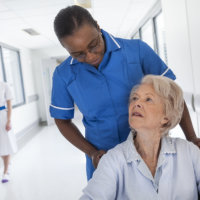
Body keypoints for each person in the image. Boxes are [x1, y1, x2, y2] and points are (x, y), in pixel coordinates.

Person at [50, 5, 200, 180]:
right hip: (104, 158)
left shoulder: (137, 51)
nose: (90, 57)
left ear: (98, 27)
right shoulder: (63, 75)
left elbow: (173, 97)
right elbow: (61, 120)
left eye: (93, 45)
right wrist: (91, 153)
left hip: (151, 151)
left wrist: (192, 138)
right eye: (78, 54)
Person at [80, 75, 200, 200]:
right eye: (135, 98)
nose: (136, 103)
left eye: (148, 99)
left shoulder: (189, 152)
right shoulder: (113, 160)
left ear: (166, 117)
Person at [0, 81, 17, 183]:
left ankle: (6, 172)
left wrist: (8, 120)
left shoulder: (4, 85)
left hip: (2, 118)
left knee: (5, 144)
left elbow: (9, 105)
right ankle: (7, 163)